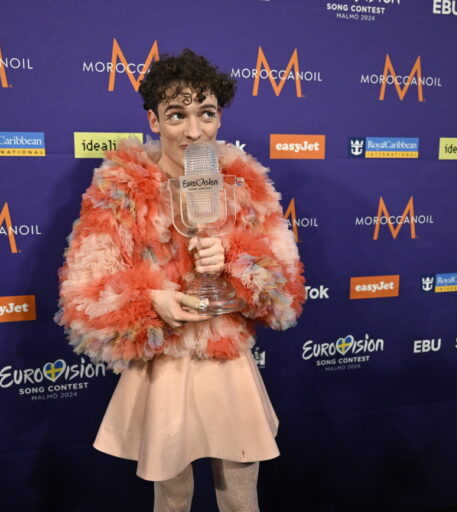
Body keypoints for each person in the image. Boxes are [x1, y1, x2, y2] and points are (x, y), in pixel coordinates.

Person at [55, 49, 305, 512]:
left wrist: (234, 260)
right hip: (164, 361)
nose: (194, 131)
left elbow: (285, 290)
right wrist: (152, 300)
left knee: (241, 496)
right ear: (153, 119)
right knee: (170, 497)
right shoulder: (121, 188)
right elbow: (83, 293)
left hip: (227, 361)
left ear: (218, 119)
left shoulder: (245, 185)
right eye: (177, 115)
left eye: (206, 114)